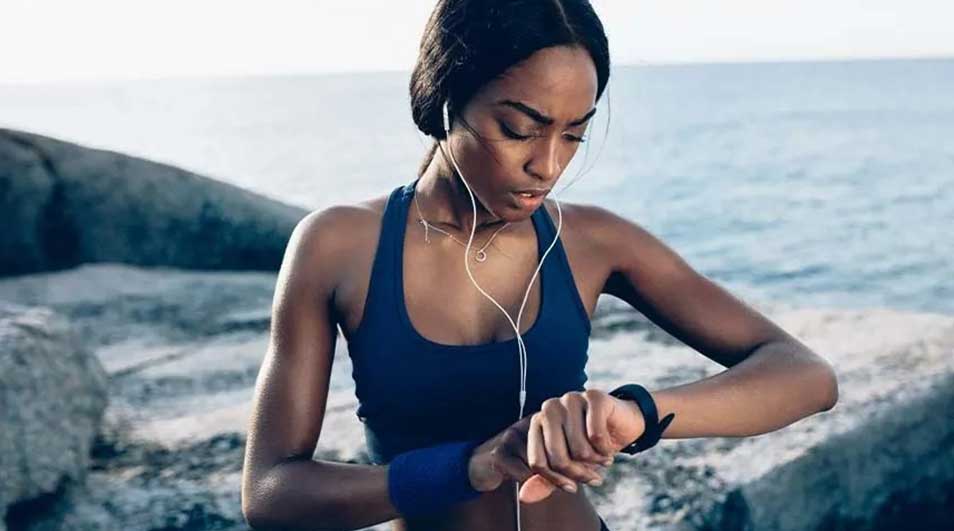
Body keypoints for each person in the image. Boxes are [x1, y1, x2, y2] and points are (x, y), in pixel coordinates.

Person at [240, 1, 840, 530]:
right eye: (519, 129)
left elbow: (806, 377)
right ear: (444, 98)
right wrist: (470, 467)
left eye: (574, 135)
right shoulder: (339, 244)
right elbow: (270, 494)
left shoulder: (593, 242)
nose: (547, 166)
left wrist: (633, 414)